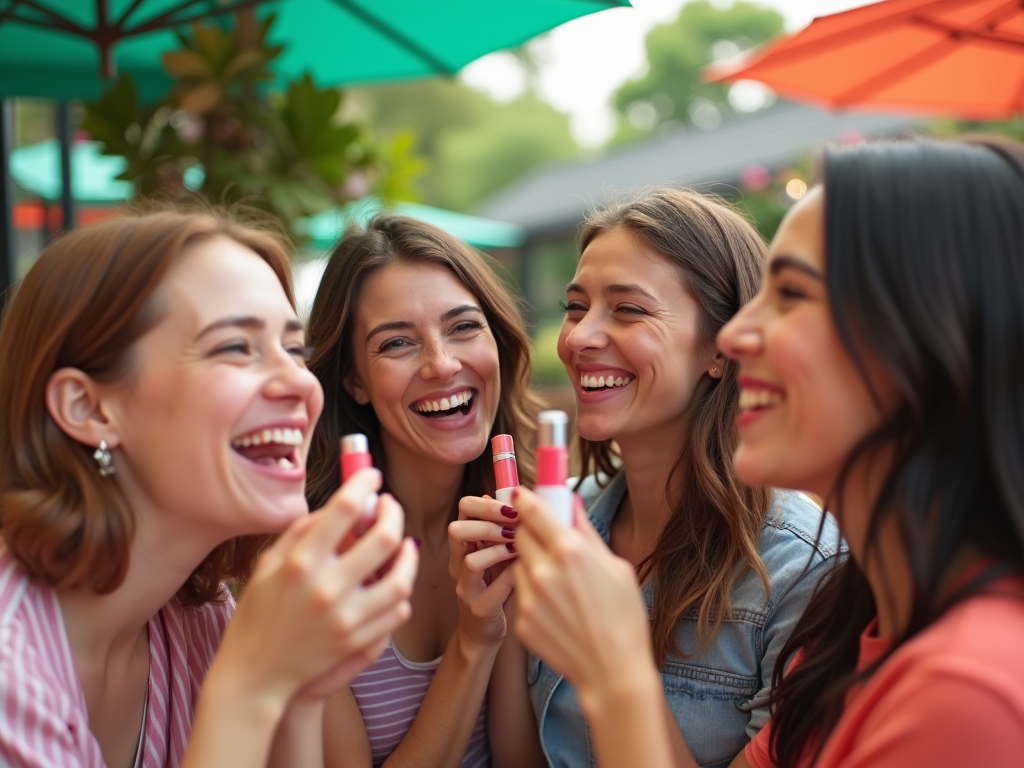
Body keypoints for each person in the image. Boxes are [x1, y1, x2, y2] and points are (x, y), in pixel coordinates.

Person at [514, 137, 1024, 768]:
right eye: (574, 308)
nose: (738, 334)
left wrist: (616, 672)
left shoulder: (967, 689)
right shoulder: (849, 623)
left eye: (792, 296)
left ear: (931, 341)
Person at [0, 208, 419, 768]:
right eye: (235, 348)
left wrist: (299, 689)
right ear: (89, 407)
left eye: (295, 351)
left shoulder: (197, 613)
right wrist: (251, 683)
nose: (299, 382)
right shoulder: (11, 672)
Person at [483, 188, 842, 768]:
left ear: (723, 347)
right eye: (576, 307)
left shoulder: (803, 571)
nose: (578, 337)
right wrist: (495, 619)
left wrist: (615, 663)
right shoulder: (568, 523)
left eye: (628, 309)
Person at [305, 215, 544, 768]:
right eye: (397, 343)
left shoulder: (519, 511)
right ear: (354, 381)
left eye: (463, 327)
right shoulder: (317, 563)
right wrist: (473, 641)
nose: (441, 364)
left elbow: (517, 757)